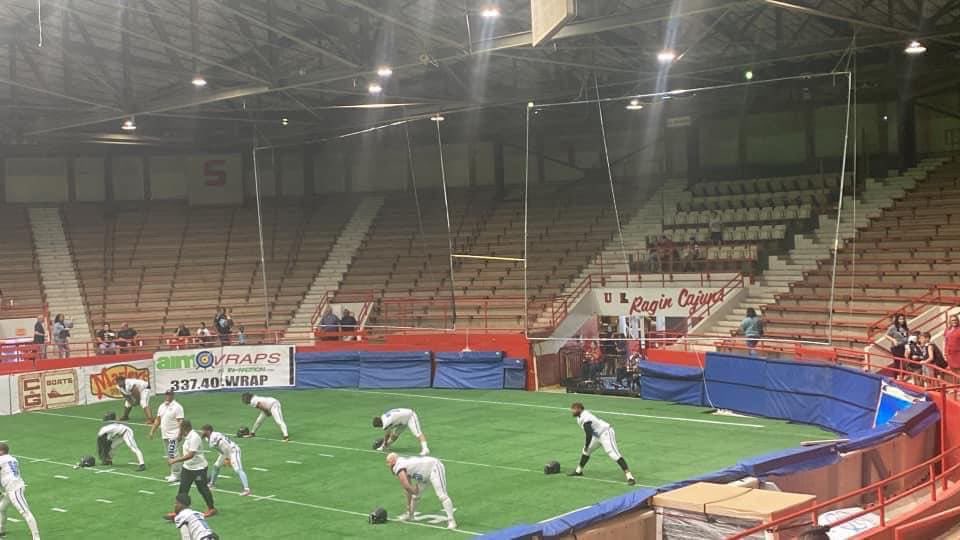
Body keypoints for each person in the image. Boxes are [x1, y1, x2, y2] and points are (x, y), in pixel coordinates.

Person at [567, 402, 636, 485]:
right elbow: (591, 432)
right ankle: (579, 471)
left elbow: (588, 433)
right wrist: (587, 447)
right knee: (586, 451)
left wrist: (586, 445)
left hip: (605, 433)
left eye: (574, 409)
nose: (572, 411)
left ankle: (630, 477)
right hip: (597, 435)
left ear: (579, 409)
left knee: (613, 454)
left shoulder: (585, 417)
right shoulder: (579, 417)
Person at [386, 452, 457, 530]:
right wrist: (409, 504)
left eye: (388, 462)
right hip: (424, 475)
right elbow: (407, 488)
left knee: (442, 496)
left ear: (393, 461)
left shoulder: (398, 466)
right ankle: (410, 515)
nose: (387, 465)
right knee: (415, 496)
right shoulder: (402, 464)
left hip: (434, 467)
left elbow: (406, 486)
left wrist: (413, 491)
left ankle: (451, 521)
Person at [167, 420, 217, 519]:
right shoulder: (188, 436)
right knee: (183, 489)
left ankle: (211, 508)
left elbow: (191, 455)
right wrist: (179, 436)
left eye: (180, 428)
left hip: (198, 469)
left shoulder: (194, 437)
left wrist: (175, 460)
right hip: (188, 468)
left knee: (202, 488)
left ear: (184, 428)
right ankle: (178, 511)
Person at [0, 442, 41, 540]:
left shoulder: (1, 460)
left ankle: (36, 537)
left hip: (14, 489)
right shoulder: (13, 458)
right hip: (13, 487)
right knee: (1, 508)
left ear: (1, 451)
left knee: (25, 512)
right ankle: (1, 530)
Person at [200, 424, 250, 496]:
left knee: (238, 469)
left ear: (208, 431)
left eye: (203, 431)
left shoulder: (214, 437)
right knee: (216, 466)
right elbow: (219, 448)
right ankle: (211, 484)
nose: (202, 432)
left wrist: (227, 458)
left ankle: (247, 489)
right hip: (225, 452)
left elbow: (225, 446)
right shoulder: (208, 438)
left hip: (233, 450)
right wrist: (225, 456)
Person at [150, 390, 185, 483]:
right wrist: (152, 431)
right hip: (165, 434)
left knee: (173, 452)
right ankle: (173, 473)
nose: (168, 396)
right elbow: (158, 420)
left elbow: (180, 421)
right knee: (169, 453)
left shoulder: (177, 407)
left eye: (169, 394)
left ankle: (177, 474)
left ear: (173, 395)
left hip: (174, 434)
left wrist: (180, 434)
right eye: (166, 394)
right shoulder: (161, 406)